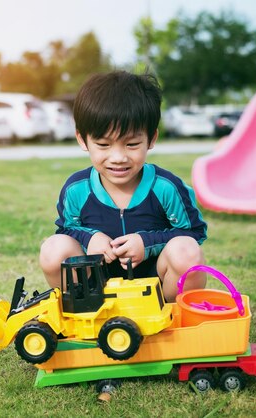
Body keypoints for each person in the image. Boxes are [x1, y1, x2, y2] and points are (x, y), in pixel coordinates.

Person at [39, 71, 207, 302]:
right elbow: (66, 229)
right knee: (53, 249)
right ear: (82, 139)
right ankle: (81, 312)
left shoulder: (166, 187)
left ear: (152, 138)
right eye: (103, 144)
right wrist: (91, 239)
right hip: (98, 287)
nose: (118, 157)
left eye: (132, 144)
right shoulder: (76, 189)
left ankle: (174, 320)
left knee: (187, 252)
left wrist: (146, 242)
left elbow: (194, 232)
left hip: (155, 289)